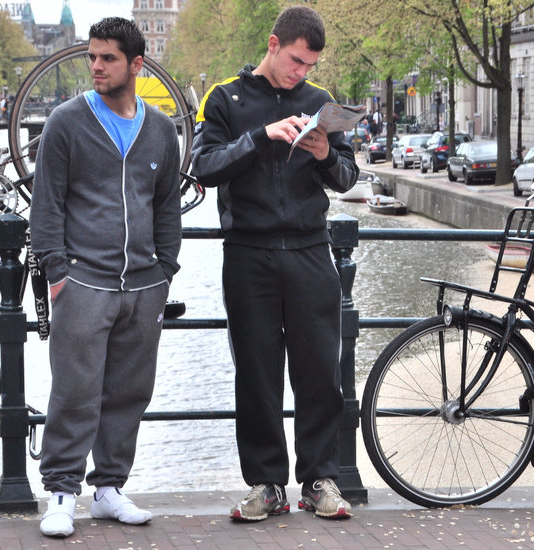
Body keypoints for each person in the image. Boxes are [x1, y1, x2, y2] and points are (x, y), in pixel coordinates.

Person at [191, 5, 358, 522]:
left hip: (311, 250)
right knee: (257, 374)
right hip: (248, 252)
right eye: (295, 60)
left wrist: (326, 151)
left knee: (319, 372)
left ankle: (319, 480)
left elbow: (347, 178)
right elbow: (202, 165)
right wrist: (261, 137)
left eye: (309, 65)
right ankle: (267, 484)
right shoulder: (224, 97)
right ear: (272, 43)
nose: (301, 72)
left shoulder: (320, 102)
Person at [30, 16, 182, 538]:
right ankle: (61, 492)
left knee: (129, 391)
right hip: (83, 281)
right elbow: (45, 206)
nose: (96, 66)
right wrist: (56, 270)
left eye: (107, 58)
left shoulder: (161, 130)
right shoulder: (66, 122)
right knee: (74, 391)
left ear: (136, 64)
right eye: (91, 57)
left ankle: (109, 489)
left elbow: (166, 208)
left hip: (143, 285)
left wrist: (165, 271)